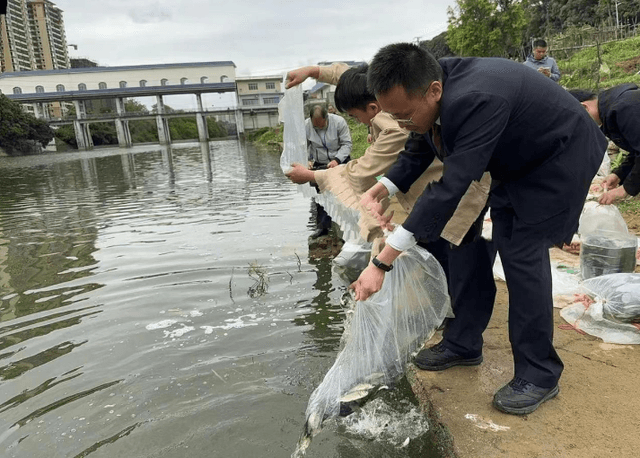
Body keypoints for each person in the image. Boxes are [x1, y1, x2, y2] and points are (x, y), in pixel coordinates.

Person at [351, 43, 607, 415]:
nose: (403, 125)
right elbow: (420, 145)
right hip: (515, 160)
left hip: (557, 156)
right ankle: (464, 342)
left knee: (521, 254)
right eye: (395, 117)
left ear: (434, 91)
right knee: (468, 238)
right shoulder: (433, 86)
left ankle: (540, 373)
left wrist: (383, 262)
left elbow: (450, 188)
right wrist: (384, 186)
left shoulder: (476, 99)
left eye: (405, 116)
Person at [285, 63, 490, 279]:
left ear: (374, 107)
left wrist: (311, 176)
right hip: (438, 191)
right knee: (441, 261)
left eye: (355, 116)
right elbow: (351, 78)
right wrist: (313, 72)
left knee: (456, 268)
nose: (357, 121)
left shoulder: (394, 127)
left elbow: (360, 172)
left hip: (452, 198)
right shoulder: (381, 93)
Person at [568, 84, 640, 205]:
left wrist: (626, 189)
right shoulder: (613, 111)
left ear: (584, 107)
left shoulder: (624, 109)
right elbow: (636, 149)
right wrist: (619, 174)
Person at [305, 104, 352, 238]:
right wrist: (307, 160)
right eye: (316, 126)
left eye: (322, 125)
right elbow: (303, 146)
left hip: (339, 160)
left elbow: (346, 144)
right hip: (320, 163)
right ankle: (323, 228)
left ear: (327, 118)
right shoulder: (306, 126)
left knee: (344, 193)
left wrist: (337, 160)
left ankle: (347, 228)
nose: (319, 128)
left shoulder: (339, 122)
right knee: (321, 196)